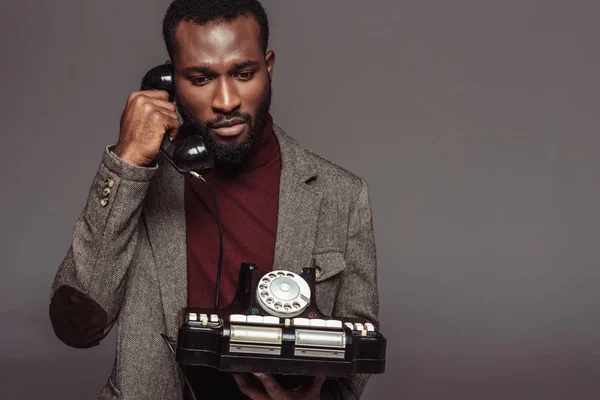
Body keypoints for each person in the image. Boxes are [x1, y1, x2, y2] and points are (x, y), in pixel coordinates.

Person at [49, 0, 379, 399]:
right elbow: (77, 327)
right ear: (169, 81)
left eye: (243, 73)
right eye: (201, 78)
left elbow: (358, 349)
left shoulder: (341, 195)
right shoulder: (137, 184)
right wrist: (127, 163)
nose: (226, 101)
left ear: (268, 67)